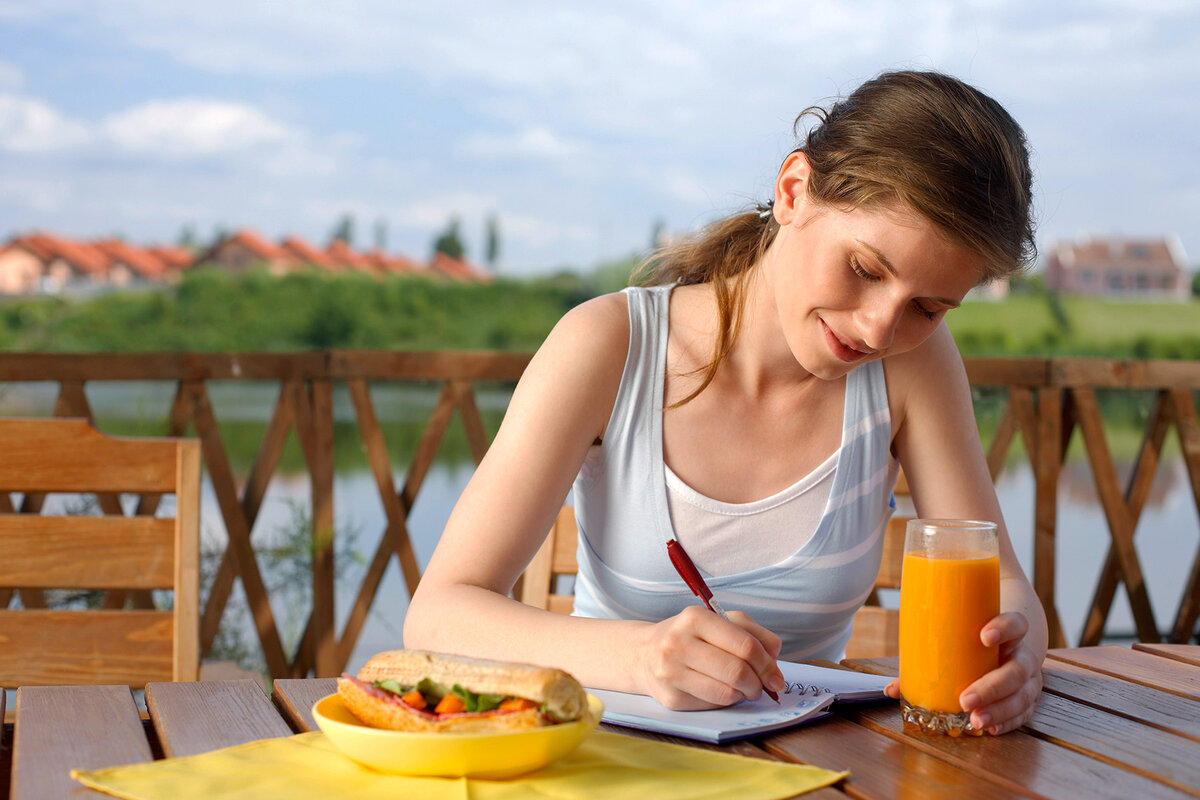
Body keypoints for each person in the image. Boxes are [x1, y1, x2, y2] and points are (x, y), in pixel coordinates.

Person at [405, 70, 1048, 736]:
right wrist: (641, 657)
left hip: (811, 771)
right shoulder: (607, 345)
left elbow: (1000, 582)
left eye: (928, 307)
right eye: (864, 269)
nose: (880, 330)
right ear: (794, 190)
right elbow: (440, 613)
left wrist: (1020, 657)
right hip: (602, 760)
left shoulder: (914, 367)